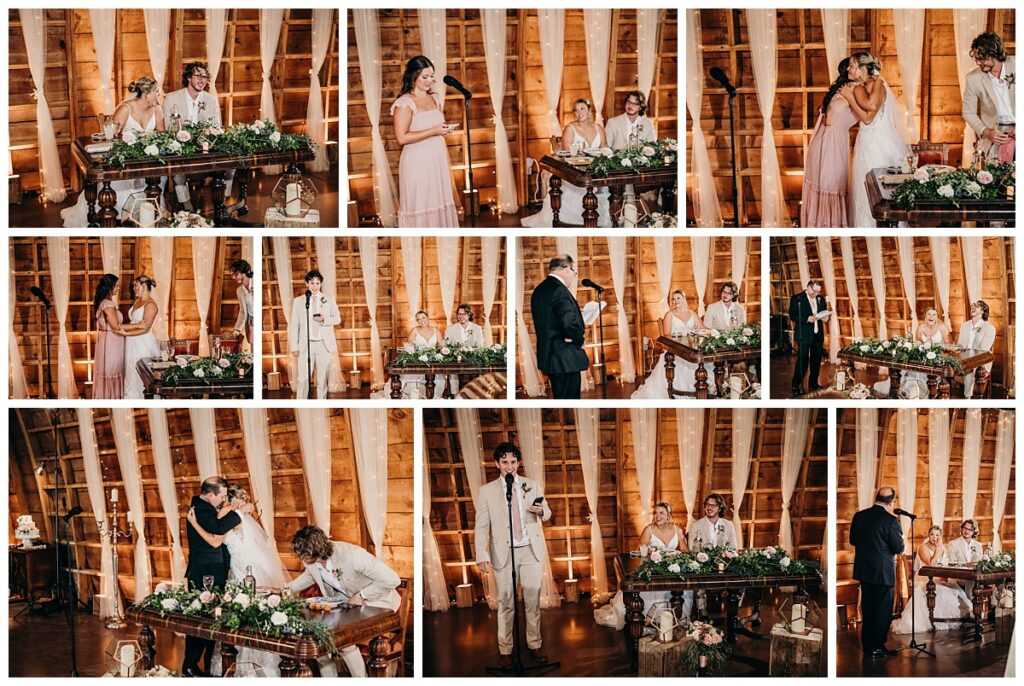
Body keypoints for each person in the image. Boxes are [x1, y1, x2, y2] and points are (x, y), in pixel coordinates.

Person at [186, 484, 289, 676]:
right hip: (247, 566)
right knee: (251, 613)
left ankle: (247, 665)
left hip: (243, 569)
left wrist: (194, 523)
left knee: (246, 613)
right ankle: (255, 662)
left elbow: (215, 540)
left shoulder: (227, 514)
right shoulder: (241, 516)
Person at [287, 525, 402, 677]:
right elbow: (310, 576)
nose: (303, 560)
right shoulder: (311, 560)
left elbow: (392, 579)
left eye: (305, 557)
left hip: (377, 603)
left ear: (318, 551)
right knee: (319, 637)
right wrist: (286, 588)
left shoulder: (353, 555)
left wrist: (362, 595)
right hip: (347, 605)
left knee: (343, 640)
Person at [476, 442, 552, 670]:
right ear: (497, 464)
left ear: (518, 463)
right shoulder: (486, 491)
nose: (509, 466)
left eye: (513, 462)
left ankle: (534, 643)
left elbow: (546, 511)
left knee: (532, 602)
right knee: (505, 603)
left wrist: (542, 511)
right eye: (504, 462)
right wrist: (481, 553)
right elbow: (481, 526)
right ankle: (505, 649)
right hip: (502, 554)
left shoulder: (532, 485)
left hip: (530, 550)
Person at [61, 77, 165, 228]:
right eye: (156, 92)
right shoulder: (125, 109)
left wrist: (149, 140)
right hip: (124, 160)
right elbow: (111, 138)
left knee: (154, 181)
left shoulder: (157, 108)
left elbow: (162, 134)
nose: (159, 95)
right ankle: (116, 216)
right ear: (146, 93)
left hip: (145, 159)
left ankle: (141, 214)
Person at [182, 476, 243, 677]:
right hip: (204, 571)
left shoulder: (206, 507)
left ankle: (206, 665)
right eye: (222, 496)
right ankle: (190, 666)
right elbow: (217, 530)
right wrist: (240, 512)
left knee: (211, 618)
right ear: (210, 494)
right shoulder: (200, 509)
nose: (224, 500)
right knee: (199, 618)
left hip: (213, 569)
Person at [595, 502, 687, 630]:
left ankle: (674, 619)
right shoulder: (648, 529)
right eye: (655, 513)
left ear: (668, 516)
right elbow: (640, 552)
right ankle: (649, 619)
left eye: (661, 513)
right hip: (653, 570)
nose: (657, 516)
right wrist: (651, 554)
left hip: (671, 570)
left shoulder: (677, 530)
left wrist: (676, 556)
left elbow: (684, 550)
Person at [391, 55, 459, 227]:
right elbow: (401, 137)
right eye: (425, 77)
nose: (430, 81)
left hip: (437, 159)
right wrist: (433, 131)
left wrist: (443, 130)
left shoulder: (435, 98)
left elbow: (436, 125)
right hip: (417, 161)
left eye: (431, 76)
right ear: (414, 77)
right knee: (422, 202)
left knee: (438, 200)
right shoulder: (405, 103)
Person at [522, 99, 612, 228]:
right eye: (575, 110)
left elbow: (605, 149)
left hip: (595, 171)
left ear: (589, 110)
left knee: (607, 187)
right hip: (575, 172)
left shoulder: (598, 128)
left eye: (582, 108)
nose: (579, 112)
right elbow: (567, 155)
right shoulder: (570, 128)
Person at [846, 51, 908, 228]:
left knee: (879, 188)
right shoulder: (864, 86)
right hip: (867, 140)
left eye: (852, 65)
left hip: (880, 142)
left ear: (862, 68)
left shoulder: (876, 83)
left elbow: (869, 113)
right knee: (865, 188)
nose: (849, 69)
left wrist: (850, 98)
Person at [801, 57, 859, 228]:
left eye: (856, 67)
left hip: (829, 139)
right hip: (829, 142)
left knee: (831, 184)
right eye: (852, 68)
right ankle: (826, 226)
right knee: (829, 183)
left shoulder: (847, 90)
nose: (854, 70)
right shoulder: (848, 89)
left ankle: (826, 225)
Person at [162, 62, 227, 210]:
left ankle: (224, 203)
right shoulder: (171, 98)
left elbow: (216, 127)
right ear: (189, 77)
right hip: (181, 147)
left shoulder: (211, 99)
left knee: (231, 165)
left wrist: (209, 136)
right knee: (178, 168)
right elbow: (168, 129)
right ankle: (186, 204)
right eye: (198, 76)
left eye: (205, 77)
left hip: (206, 148)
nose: (202, 80)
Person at [849, 487, 904, 658]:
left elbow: (853, 540)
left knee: (868, 608)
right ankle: (877, 646)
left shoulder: (859, 516)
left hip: (865, 571)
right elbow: (898, 547)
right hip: (883, 572)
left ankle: (867, 645)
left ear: (876, 498)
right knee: (882, 611)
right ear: (891, 501)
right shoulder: (891, 520)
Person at [632, 290, 712, 399]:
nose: (675, 301)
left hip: (691, 348)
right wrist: (681, 337)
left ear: (684, 299)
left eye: (678, 298)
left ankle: (700, 388)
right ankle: (677, 391)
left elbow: (702, 328)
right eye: (673, 299)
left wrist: (715, 332)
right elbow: (667, 335)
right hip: (676, 349)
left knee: (703, 359)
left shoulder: (692, 313)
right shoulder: (669, 314)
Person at [530, 255, 590, 399]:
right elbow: (569, 322)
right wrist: (578, 340)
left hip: (550, 356)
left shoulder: (539, 290)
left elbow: (549, 320)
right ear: (567, 268)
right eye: (574, 272)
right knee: (570, 400)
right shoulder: (559, 291)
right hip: (565, 357)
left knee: (560, 398)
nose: (573, 276)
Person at [891, 525, 971, 634]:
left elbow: (945, 564)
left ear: (941, 536)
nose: (934, 537)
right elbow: (930, 565)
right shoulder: (923, 548)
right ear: (928, 536)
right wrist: (938, 550)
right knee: (943, 592)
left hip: (938, 578)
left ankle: (957, 619)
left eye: (937, 535)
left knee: (957, 590)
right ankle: (934, 620)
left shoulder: (943, 548)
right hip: (924, 578)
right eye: (932, 535)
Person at [873, 307, 952, 398]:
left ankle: (923, 392)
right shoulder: (920, 328)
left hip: (938, 358)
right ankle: (910, 391)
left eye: (934, 314)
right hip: (924, 358)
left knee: (920, 372)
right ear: (925, 316)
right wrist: (924, 347)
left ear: (937, 317)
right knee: (912, 369)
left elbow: (949, 346)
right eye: (929, 314)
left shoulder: (942, 327)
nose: (931, 317)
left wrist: (936, 348)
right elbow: (918, 345)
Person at [962, 32, 1015, 164]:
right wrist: (986, 132)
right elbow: (968, 112)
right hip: (995, 135)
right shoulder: (973, 78)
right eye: (976, 58)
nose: (978, 63)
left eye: (982, 58)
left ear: (995, 54)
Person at [288, 269, 341, 399]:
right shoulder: (299, 301)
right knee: (303, 379)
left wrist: (324, 319)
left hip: (324, 344)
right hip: (306, 345)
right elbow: (294, 325)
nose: (315, 286)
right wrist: (294, 347)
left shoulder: (328, 299)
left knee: (322, 380)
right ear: (307, 284)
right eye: (312, 283)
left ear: (321, 284)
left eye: (317, 283)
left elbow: (337, 319)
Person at [371, 310, 445, 399]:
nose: (422, 321)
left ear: (428, 318)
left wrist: (440, 350)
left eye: (423, 317)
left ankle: (431, 397)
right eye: (418, 319)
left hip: (432, 362)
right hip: (418, 363)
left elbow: (441, 346)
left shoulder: (436, 330)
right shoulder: (414, 330)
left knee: (438, 380)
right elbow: (409, 347)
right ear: (417, 322)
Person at [119, 276, 161, 399]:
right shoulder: (137, 301)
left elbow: (145, 329)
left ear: (143, 286)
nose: (133, 288)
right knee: (130, 370)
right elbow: (135, 324)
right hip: (132, 342)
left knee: (141, 371)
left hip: (143, 343)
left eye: (135, 285)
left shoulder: (151, 305)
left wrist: (125, 333)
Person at [789, 280, 829, 396]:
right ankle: (796, 385)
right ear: (808, 287)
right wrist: (807, 319)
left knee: (816, 361)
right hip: (804, 334)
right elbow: (793, 315)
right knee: (803, 360)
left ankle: (813, 384)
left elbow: (823, 313)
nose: (816, 294)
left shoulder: (820, 299)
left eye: (818, 292)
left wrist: (825, 318)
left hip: (817, 334)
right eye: (814, 291)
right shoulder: (797, 299)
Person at [92, 273, 126, 399]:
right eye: (116, 286)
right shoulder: (107, 304)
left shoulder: (107, 302)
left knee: (113, 371)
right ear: (109, 287)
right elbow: (116, 326)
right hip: (111, 344)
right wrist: (139, 326)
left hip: (112, 341)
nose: (118, 288)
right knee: (111, 371)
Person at [957, 300, 997, 397]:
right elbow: (960, 346)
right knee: (947, 368)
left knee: (969, 368)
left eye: (977, 306)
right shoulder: (964, 326)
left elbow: (983, 350)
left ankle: (968, 399)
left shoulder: (989, 328)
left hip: (981, 361)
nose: (973, 307)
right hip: (964, 359)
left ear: (983, 311)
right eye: (972, 306)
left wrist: (966, 358)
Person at [230, 259, 254, 349]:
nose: (233, 277)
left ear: (244, 272)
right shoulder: (239, 291)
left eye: (236, 274)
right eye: (232, 275)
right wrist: (237, 329)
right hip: (251, 325)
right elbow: (243, 312)